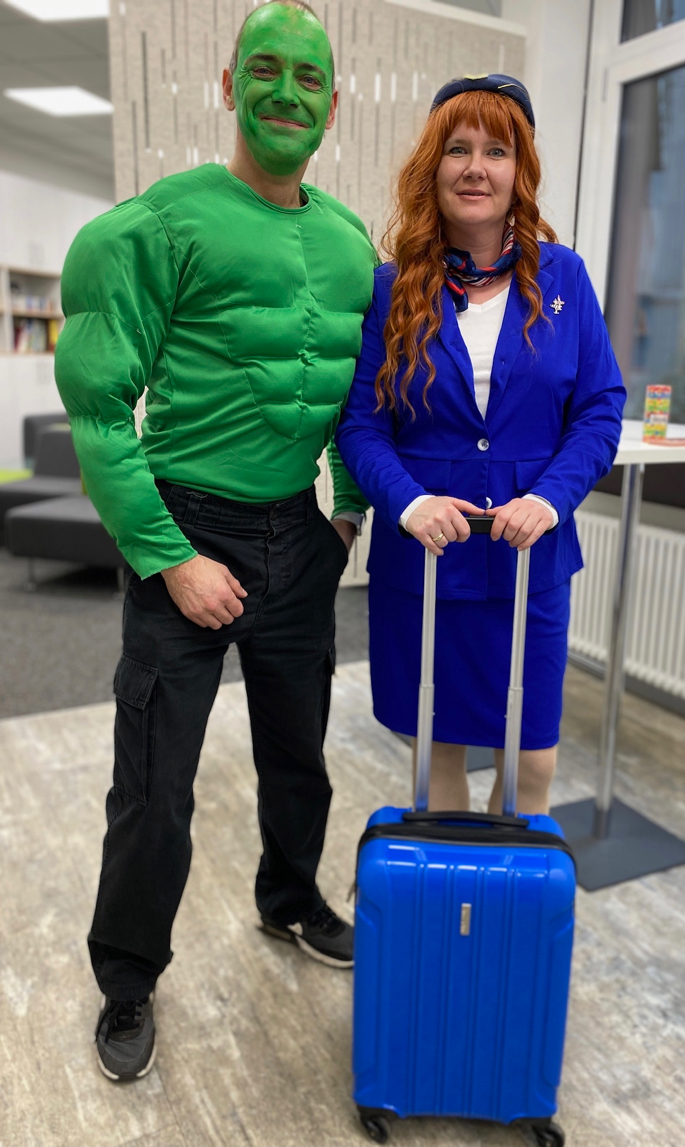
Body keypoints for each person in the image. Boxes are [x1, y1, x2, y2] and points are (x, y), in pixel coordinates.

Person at [55, 0, 375, 1083]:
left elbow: (355, 400)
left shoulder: (351, 246)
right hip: (185, 531)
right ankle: (126, 976)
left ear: (333, 104)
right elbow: (100, 411)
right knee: (155, 784)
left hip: (299, 534)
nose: (287, 93)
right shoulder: (159, 225)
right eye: (265, 70)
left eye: (309, 77)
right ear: (230, 85)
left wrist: (342, 517)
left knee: (300, 756)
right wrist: (169, 556)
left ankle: (290, 899)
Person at [336, 74, 625, 816]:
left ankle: (508, 884)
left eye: (497, 151)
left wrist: (550, 499)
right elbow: (362, 425)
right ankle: (446, 884)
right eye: (457, 149)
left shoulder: (565, 278)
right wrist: (408, 503)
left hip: (531, 563)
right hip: (426, 560)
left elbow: (599, 409)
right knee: (435, 753)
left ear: (519, 170)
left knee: (532, 760)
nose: (476, 168)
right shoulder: (392, 287)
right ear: (431, 167)